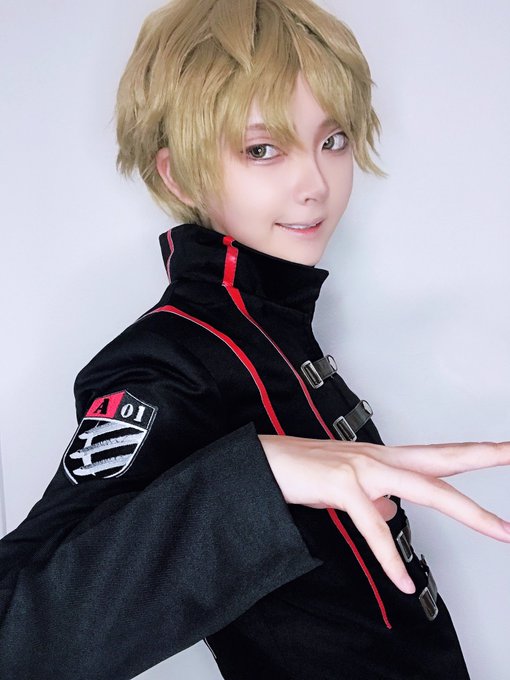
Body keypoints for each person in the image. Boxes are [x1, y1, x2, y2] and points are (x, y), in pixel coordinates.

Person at [0, 0, 509, 678]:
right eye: (263, 149)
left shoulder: (277, 327)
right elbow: (18, 631)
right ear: (178, 173)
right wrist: (254, 478)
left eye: (333, 140)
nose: (315, 184)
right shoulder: (168, 362)